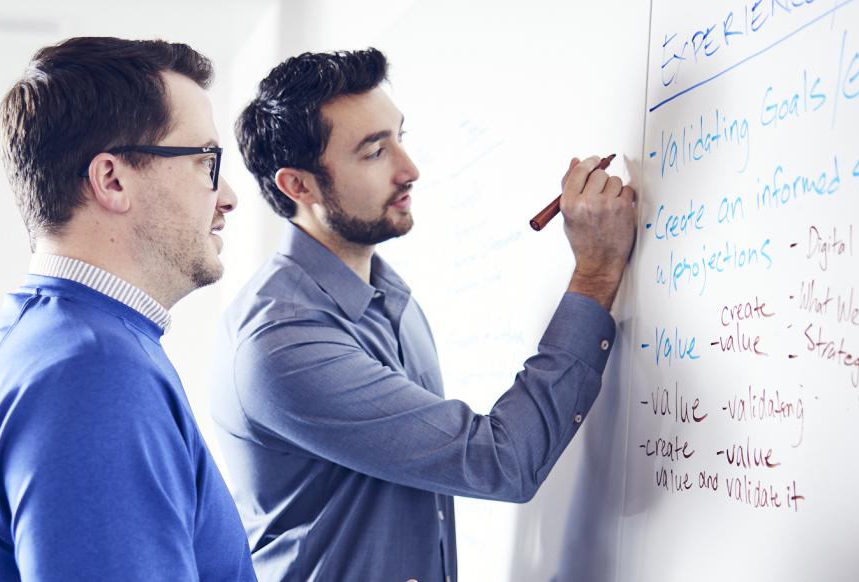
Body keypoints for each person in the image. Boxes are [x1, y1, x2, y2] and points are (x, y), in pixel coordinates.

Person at [211, 48, 637, 581]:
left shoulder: (390, 296)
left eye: (399, 139)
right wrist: (594, 277)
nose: (410, 170)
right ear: (298, 185)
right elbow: (500, 461)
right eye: (373, 152)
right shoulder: (283, 342)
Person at [0, 37, 255, 581]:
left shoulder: (66, 343)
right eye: (207, 160)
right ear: (112, 179)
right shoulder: (92, 373)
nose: (226, 195)